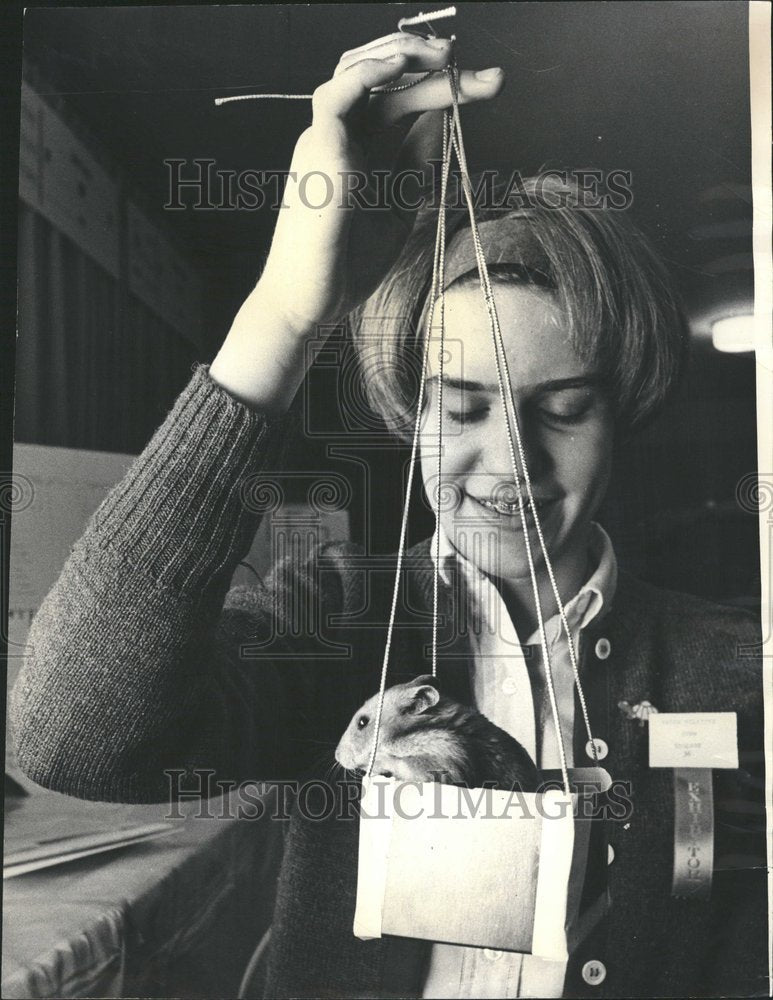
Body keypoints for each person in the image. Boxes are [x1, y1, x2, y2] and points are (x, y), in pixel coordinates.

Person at [10, 30, 766, 1000]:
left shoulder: (727, 661)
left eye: (562, 407)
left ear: (621, 407)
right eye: (461, 408)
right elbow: (69, 738)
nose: (510, 460)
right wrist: (287, 313)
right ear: (410, 414)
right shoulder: (336, 623)